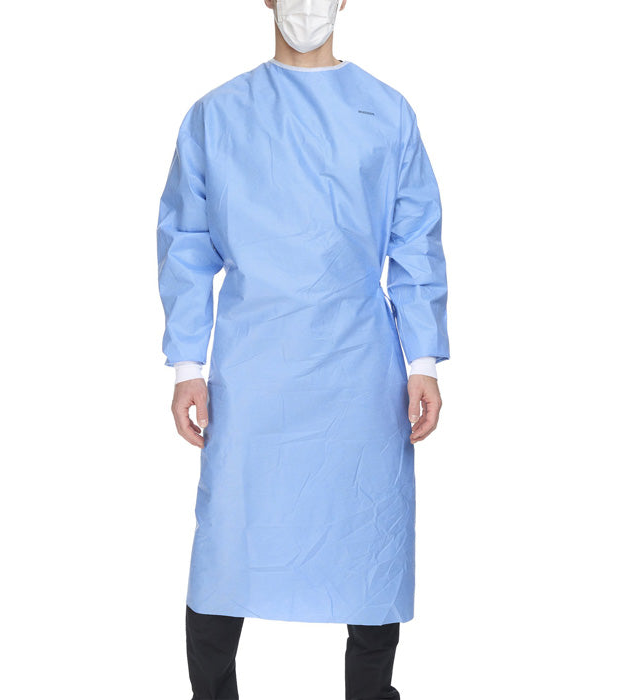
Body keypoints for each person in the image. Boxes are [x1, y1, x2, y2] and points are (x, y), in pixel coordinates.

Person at [156, 1, 450, 697]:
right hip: (255, 366)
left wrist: (423, 360)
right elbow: (186, 243)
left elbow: (415, 241)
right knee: (229, 538)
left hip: (359, 366)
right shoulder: (217, 115)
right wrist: (188, 365)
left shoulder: (387, 112)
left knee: (369, 538)